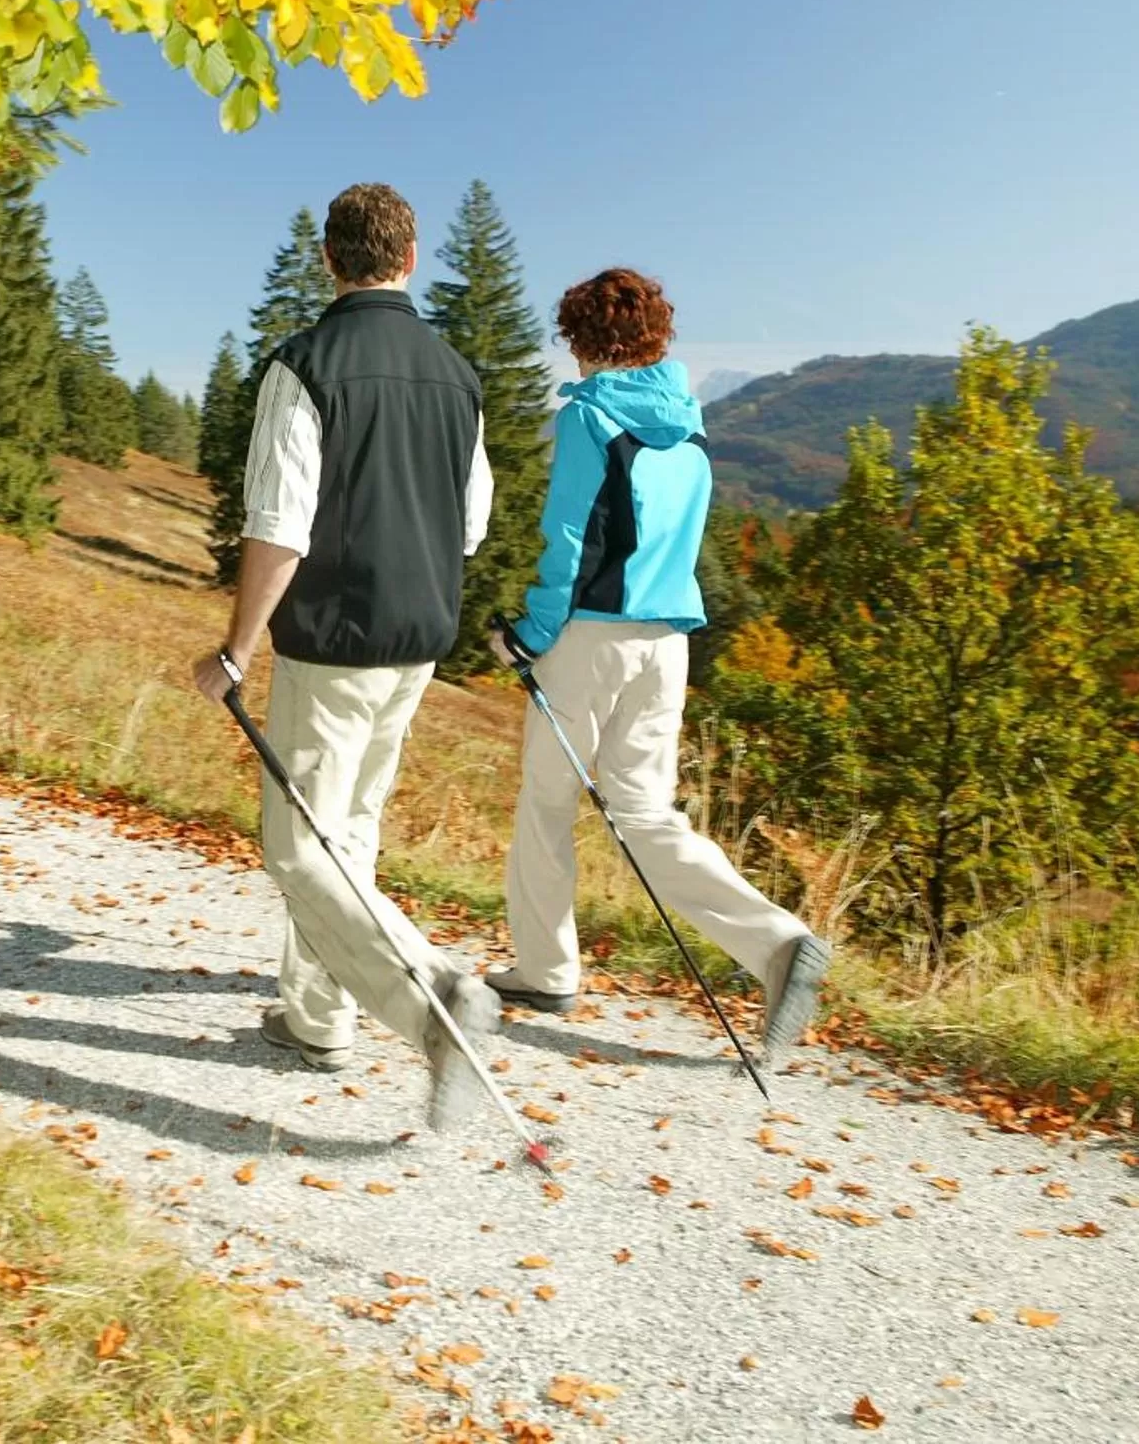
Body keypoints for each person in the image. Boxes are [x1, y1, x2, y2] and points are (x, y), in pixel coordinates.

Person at [192, 182, 503, 1128]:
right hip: (417, 638)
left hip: (333, 641)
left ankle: (430, 995)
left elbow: (279, 524)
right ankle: (316, 1017)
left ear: (331, 260)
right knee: (348, 829)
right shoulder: (457, 372)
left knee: (297, 844)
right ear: (409, 258)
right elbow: (470, 525)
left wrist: (236, 648)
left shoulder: (305, 364)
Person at [484, 267, 830, 1053]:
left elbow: (571, 540)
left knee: (545, 804)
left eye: (572, 341)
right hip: (666, 642)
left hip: (589, 639)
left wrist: (530, 635)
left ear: (586, 340)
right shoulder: (690, 423)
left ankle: (546, 967)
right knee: (642, 815)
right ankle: (777, 944)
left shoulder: (588, 418)